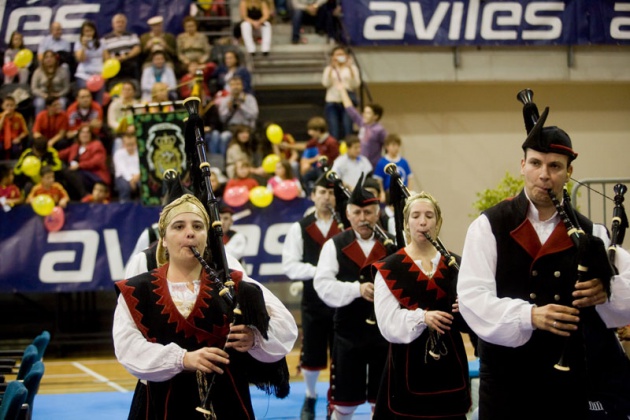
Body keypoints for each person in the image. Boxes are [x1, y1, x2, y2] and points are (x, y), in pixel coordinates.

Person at [457, 102, 630, 420]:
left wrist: (607, 292)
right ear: (522, 165)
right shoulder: (489, 226)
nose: (544, 175)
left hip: (568, 379)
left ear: (569, 171)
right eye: (536, 163)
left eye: (554, 166)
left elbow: (624, 290)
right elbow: (471, 299)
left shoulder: (591, 233)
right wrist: (530, 316)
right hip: (506, 379)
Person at [113, 193, 298, 419]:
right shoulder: (137, 290)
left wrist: (254, 338)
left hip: (228, 401)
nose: (189, 232)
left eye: (198, 226)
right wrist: (183, 359)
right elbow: (127, 348)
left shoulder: (234, 282)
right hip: (163, 404)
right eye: (178, 226)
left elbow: (286, 328)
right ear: (163, 238)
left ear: (207, 236)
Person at [372, 191, 472, 419]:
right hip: (406, 365)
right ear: (406, 223)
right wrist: (422, 318)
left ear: (438, 221)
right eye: (415, 216)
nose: (423, 221)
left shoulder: (456, 263)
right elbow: (387, 324)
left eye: (429, 215)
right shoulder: (389, 268)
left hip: (450, 365)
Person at [313, 175, 390, 420]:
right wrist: (357, 290)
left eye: (368, 212)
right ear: (348, 214)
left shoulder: (392, 244)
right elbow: (323, 286)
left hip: (384, 332)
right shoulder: (334, 245)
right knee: (344, 402)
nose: (363, 218)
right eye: (357, 212)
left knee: (383, 400)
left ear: (377, 214)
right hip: (348, 332)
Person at [282, 173, 340, 420]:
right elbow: (290, 266)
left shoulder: (345, 225)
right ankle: (310, 395)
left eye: (331, 192)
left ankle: (336, 400)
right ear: (313, 196)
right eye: (322, 192)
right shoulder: (301, 228)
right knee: (312, 352)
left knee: (341, 352)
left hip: (342, 301)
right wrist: (322, 272)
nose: (326, 197)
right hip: (314, 300)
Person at [334, 79, 386, 168]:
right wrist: (342, 91)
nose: (364, 115)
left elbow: (387, 146)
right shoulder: (363, 124)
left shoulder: (379, 130)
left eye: (368, 113)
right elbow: (350, 109)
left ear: (375, 116)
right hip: (360, 164)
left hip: (373, 165)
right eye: (364, 112)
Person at [58, 125, 111, 200]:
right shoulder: (75, 146)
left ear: (91, 135)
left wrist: (79, 165)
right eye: (82, 132)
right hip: (79, 176)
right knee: (63, 170)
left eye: (87, 133)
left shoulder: (97, 145)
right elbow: (60, 154)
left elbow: (97, 161)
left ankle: (84, 195)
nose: (85, 135)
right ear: (79, 135)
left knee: (70, 172)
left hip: (95, 176)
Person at [322, 45, 360, 142]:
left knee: (348, 126)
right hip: (332, 100)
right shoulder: (328, 69)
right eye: (337, 54)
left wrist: (350, 68)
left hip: (347, 101)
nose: (339, 56)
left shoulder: (352, 68)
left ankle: (349, 148)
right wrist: (332, 68)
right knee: (334, 128)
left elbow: (356, 84)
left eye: (341, 54)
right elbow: (326, 83)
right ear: (333, 57)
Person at [217, 76, 259, 157]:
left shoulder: (250, 99)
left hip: (247, 128)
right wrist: (229, 110)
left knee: (255, 138)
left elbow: (254, 115)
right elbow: (222, 119)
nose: (235, 87)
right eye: (233, 84)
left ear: (242, 86)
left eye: (238, 84)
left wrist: (241, 106)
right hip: (232, 128)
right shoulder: (225, 100)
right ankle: (224, 163)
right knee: (224, 137)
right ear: (229, 87)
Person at [101, 13, 142, 82]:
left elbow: (137, 49)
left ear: (125, 24)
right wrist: (113, 59)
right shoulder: (105, 39)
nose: (120, 24)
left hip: (128, 64)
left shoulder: (132, 35)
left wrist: (126, 56)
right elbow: (105, 53)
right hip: (113, 66)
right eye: (118, 22)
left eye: (122, 22)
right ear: (113, 24)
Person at [372, 133, 414, 201]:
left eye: (398, 145)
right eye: (393, 145)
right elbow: (378, 180)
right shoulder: (382, 162)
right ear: (387, 146)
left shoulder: (404, 162)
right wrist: (382, 193)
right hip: (389, 194)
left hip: (402, 194)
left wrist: (409, 192)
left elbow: (410, 178)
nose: (396, 148)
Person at [73, 20, 106, 104]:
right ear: (82, 33)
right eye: (86, 31)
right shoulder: (78, 43)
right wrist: (84, 46)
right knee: (84, 95)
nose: (88, 33)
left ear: (94, 31)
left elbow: (107, 59)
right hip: (84, 75)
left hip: (99, 75)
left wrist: (104, 75)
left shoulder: (101, 42)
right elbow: (81, 59)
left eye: (90, 30)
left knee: (99, 98)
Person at [30, 50, 71, 117]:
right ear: (43, 60)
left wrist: (59, 94)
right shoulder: (38, 72)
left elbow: (66, 88)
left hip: (58, 95)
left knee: (62, 103)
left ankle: (61, 124)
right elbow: (34, 88)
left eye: (51, 57)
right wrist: (43, 95)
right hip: (43, 96)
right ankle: (39, 124)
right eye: (46, 57)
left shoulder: (62, 71)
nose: (49, 59)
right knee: (39, 103)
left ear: (55, 59)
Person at [112, 131, 140, 202]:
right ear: (124, 144)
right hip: (122, 177)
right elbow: (122, 169)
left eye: (132, 144)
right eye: (128, 145)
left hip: (138, 176)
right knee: (125, 187)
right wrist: (131, 179)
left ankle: (144, 208)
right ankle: (124, 208)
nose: (130, 147)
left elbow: (141, 167)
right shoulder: (118, 154)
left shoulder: (140, 153)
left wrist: (137, 176)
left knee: (144, 185)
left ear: (136, 143)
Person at [0, 95, 29, 160]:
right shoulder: (0, 116)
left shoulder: (19, 117)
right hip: (2, 140)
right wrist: (4, 117)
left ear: (15, 106)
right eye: (7, 105)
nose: (9, 108)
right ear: (2, 106)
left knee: (16, 149)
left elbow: (25, 132)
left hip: (14, 140)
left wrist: (19, 138)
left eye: (12, 105)